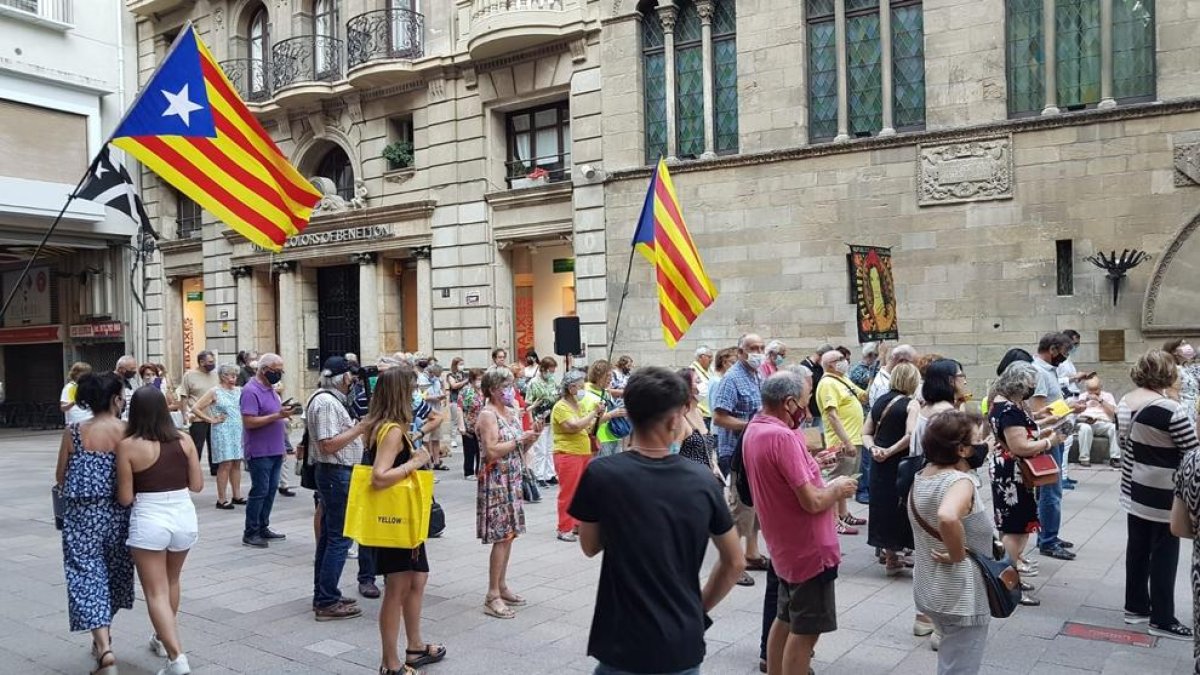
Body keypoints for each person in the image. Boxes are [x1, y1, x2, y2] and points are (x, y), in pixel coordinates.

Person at [569, 366, 746, 675]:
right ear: (674, 418)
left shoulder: (602, 474)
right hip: (680, 639)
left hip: (621, 639)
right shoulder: (702, 481)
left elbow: (589, 545)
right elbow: (735, 562)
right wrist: (699, 608)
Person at [743, 370, 854, 675]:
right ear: (789, 403)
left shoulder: (756, 429)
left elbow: (782, 477)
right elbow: (813, 501)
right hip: (809, 549)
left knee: (785, 617)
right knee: (805, 631)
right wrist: (839, 488)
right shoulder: (782, 436)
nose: (806, 410)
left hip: (784, 545)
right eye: (805, 402)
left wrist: (813, 464)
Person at [356, 366, 446, 674]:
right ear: (399, 394)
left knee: (417, 579)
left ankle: (415, 647)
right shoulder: (391, 430)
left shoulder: (389, 426)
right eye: (411, 390)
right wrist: (416, 462)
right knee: (397, 588)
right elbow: (379, 477)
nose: (416, 396)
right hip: (395, 521)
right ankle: (390, 663)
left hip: (406, 519)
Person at [116, 386, 203, 675]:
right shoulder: (185, 440)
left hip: (149, 517)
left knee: (155, 592)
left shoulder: (128, 446)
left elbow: (126, 498)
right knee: (172, 581)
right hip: (183, 514)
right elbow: (198, 485)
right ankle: (163, 640)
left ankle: (177, 657)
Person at [55, 372, 134, 675]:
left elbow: (60, 475)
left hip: (82, 515)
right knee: (114, 574)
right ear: (116, 399)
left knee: (86, 575)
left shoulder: (74, 432)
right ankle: (104, 635)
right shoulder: (128, 431)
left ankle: (104, 647)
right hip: (120, 514)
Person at [909, 411, 996, 675]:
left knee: (951, 660)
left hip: (932, 587)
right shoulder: (960, 482)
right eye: (980, 440)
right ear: (962, 450)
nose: (986, 445)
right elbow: (947, 517)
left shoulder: (924, 475)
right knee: (960, 668)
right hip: (961, 593)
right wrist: (957, 555)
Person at [1116, 350, 1194, 640]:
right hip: (1164, 491)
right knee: (1165, 552)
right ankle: (1162, 617)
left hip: (1134, 485)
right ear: (1167, 373)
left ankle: (1135, 607)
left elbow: (1124, 444)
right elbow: (1191, 449)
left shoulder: (1125, 402)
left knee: (1137, 548)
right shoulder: (1170, 409)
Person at [989, 361, 1061, 606]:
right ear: (1019, 384)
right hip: (1014, 473)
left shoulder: (1002, 403)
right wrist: (1050, 442)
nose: (1032, 389)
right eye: (1030, 384)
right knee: (1016, 528)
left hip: (1008, 469)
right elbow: (1020, 446)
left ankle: (1012, 576)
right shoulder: (1009, 410)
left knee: (1012, 525)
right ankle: (1006, 583)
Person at [306, 356, 369, 622]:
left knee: (332, 537)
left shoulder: (327, 400)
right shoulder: (327, 403)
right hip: (336, 473)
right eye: (351, 377)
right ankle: (327, 600)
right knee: (339, 539)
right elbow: (328, 444)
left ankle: (325, 592)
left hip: (336, 473)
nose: (353, 381)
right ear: (343, 377)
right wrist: (360, 428)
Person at [476, 367, 539, 619]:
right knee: (501, 537)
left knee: (510, 535)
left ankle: (502, 586)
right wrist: (519, 440)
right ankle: (492, 594)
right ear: (493, 389)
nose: (511, 390)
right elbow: (491, 451)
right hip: (496, 479)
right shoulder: (488, 415)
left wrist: (533, 436)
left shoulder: (511, 412)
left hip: (512, 478)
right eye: (506, 385)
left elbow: (520, 447)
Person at [712, 333, 768, 585]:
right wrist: (752, 426)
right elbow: (719, 417)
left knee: (755, 507)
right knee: (739, 508)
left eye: (761, 347)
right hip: (735, 452)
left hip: (755, 451)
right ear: (741, 351)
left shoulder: (759, 374)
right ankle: (730, 563)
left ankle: (752, 554)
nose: (758, 351)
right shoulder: (731, 379)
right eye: (753, 348)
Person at [862, 362, 921, 575]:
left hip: (879, 463)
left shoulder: (879, 401)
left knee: (882, 505)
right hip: (899, 462)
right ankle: (898, 552)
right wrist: (889, 451)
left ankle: (890, 556)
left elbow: (866, 432)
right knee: (900, 505)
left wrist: (874, 449)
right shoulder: (911, 404)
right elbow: (910, 435)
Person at [1030, 332, 1081, 560]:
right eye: (1065, 352)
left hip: (1056, 435)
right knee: (1052, 491)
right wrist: (1070, 409)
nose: (1065, 357)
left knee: (1050, 490)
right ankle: (1048, 540)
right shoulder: (1039, 372)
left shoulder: (1049, 370)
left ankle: (1048, 535)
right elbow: (1040, 411)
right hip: (1050, 438)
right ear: (1052, 349)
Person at [240, 353, 292, 548]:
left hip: (275, 448)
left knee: (270, 491)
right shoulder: (250, 391)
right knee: (259, 491)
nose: (278, 374)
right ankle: (251, 531)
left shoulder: (270, 389)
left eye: (280, 371)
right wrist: (277, 415)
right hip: (260, 450)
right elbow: (249, 421)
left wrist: (282, 415)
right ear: (263, 370)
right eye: (276, 371)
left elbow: (273, 415)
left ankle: (263, 526)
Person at [816, 348, 870, 525]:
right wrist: (846, 442)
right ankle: (833, 521)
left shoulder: (842, 379)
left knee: (846, 479)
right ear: (830, 364)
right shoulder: (827, 384)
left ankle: (843, 514)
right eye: (840, 359)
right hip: (842, 442)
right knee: (835, 480)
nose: (845, 360)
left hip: (854, 438)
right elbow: (832, 415)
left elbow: (864, 397)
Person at [551, 370, 600, 542]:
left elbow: (586, 427)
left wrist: (599, 415)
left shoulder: (576, 406)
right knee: (568, 492)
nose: (582, 390)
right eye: (580, 387)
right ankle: (564, 527)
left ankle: (577, 524)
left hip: (582, 453)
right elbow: (573, 426)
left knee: (581, 492)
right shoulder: (561, 407)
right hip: (568, 454)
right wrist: (593, 414)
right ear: (571, 388)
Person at [190, 364, 245, 508]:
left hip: (237, 429)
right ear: (223, 376)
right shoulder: (215, 391)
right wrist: (211, 420)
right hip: (222, 429)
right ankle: (221, 498)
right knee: (225, 463)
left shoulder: (239, 391)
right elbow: (195, 408)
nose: (233, 378)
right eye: (231, 375)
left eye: (235, 375)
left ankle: (237, 495)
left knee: (237, 462)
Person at [176, 351, 218, 476]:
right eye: (210, 362)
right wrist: (184, 415)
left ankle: (215, 469)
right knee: (197, 446)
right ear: (201, 362)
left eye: (213, 361)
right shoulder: (189, 375)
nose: (213, 364)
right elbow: (184, 397)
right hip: (197, 418)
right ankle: (192, 470)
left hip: (214, 417)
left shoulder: (216, 375)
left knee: (214, 446)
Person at [677, 367, 722, 480]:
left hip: (707, 478)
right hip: (689, 480)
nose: (702, 384)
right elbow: (672, 454)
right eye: (697, 381)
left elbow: (707, 449)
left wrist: (714, 466)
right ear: (686, 388)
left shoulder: (698, 412)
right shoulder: (680, 419)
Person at [525, 356, 560, 486]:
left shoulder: (551, 381)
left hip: (552, 417)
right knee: (541, 449)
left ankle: (550, 474)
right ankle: (539, 475)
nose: (551, 373)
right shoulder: (533, 383)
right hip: (539, 418)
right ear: (543, 369)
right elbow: (528, 402)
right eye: (550, 370)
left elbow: (555, 394)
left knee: (550, 448)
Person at [1075, 376, 1118, 469]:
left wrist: (1100, 400)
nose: (1094, 392)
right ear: (1086, 389)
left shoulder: (1108, 396)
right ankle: (1084, 459)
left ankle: (1115, 458)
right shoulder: (1082, 396)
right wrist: (1085, 403)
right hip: (1086, 422)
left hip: (1103, 423)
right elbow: (1076, 414)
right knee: (1085, 428)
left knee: (1114, 428)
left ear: (1101, 387)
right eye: (1091, 390)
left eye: (1096, 389)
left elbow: (1114, 412)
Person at [586, 360, 626, 458]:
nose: (611, 379)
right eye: (608, 376)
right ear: (599, 375)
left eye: (611, 375)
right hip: (600, 439)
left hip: (614, 435)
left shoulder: (605, 392)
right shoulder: (587, 394)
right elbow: (589, 424)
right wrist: (612, 414)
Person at [1164, 339, 1199, 429]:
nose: (1187, 346)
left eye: (1187, 343)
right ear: (1174, 351)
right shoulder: (1175, 370)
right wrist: (1180, 416)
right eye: (1182, 344)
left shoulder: (1187, 368)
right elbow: (1172, 394)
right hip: (1186, 411)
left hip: (1194, 409)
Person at [868, 344, 915, 408]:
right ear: (902, 361)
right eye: (912, 363)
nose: (913, 368)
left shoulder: (886, 378)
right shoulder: (885, 387)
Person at [800, 344, 834, 428]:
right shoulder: (804, 367)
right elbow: (802, 391)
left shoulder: (820, 367)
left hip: (820, 409)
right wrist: (807, 411)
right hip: (810, 410)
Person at [460, 368, 485, 480]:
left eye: (481, 379)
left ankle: (479, 470)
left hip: (482, 425)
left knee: (481, 449)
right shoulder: (466, 391)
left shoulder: (484, 391)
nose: (480, 381)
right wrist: (461, 425)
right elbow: (459, 407)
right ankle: (468, 472)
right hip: (469, 424)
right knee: (470, 449)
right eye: (478, 379)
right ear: (472, 379)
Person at [446, 356, 469, 451]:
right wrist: (465, 382)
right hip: (455, 399)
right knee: (454, 420)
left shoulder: (465, 375)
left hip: (465, 399)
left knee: (466, 419)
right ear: (455, 365)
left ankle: (466, 438)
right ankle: (453, 439)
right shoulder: (450, 375)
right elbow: (454, 385)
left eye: (463, 364)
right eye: (460, 364)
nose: (462, 366)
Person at [60, 361, 94, 425]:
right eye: (84, 373)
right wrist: (74, 402)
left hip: (90, 420)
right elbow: (63, 407)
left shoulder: (89, 386)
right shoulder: (69, 387)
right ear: (76, 374)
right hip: (76, 421)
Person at [690, 346, 715, 431]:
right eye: (709, 357)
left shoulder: (711, 370)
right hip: (702, 414)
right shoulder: (692, 371)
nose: (712, 360)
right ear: (701, 357)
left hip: (711, 414)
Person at [708, 347, 737, 417]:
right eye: (733, 363)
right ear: (724, 362)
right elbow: (716, 409)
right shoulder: (718, 382)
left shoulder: (720, 379)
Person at [115, 355, 138, 419]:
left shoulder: (133, 382)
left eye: (135, 368)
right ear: (120, 369)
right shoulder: (110, 381)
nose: (135, 371)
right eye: (132, 369)